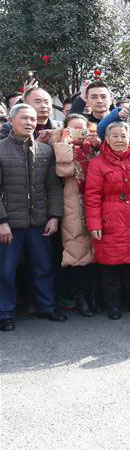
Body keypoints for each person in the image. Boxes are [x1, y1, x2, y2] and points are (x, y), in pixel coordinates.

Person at [0, 103, 66, 331]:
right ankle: (5, 313)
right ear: (11, 120)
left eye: (32, 119)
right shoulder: (0, 149)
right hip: (10, 224)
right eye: (24, 118)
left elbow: (54, 188)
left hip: (39, 221)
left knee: (43, 266)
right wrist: (2, 222)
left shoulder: (45, 150)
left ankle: (46, 306)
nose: (29, 122)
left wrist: (54, 216)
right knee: (5, 271)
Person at [84, 122, 130, 319]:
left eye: (123, 136)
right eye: (114, 136)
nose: (119, 140)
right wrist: (94, 224)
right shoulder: (97, 164)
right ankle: (113, 305)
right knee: (111, 266)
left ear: (129, 138)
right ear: (106, 139)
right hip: (110, 218)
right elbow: (92, 197)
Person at [52, 114, 101, 317]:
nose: (78, 133)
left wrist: (96, 145)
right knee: (76, 254)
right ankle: (80, 298)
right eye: (73, 128)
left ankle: (94, 296)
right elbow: (64, 170)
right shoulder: (60, 147)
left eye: (82, 128)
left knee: (95, 253)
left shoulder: (93, 149)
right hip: (72, 206)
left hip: (95, 204)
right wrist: (64, 143)